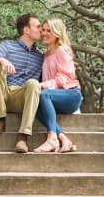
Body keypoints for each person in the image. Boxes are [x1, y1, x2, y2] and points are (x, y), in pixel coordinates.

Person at [0, 13, 44, 153]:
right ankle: (1, 119)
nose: (41, 30)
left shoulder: (41, 56)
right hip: (3, 95)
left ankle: (23, 137)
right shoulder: (8, 46)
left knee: (34, 83)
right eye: (38, 26)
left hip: (22, 98)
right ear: (27, 30)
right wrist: (1, 60)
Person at [33, 17, 82, 153]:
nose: (44, 33)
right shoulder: (46, 54)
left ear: (57, 33)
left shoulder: (62, 50)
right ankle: (62, 138)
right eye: (43, 30)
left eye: (49, 30)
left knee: (44, 94)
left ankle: (51, 138)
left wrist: (42, 85)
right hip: (52, 98)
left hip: (71, 95)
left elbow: (63, 79)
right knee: (34, 104)